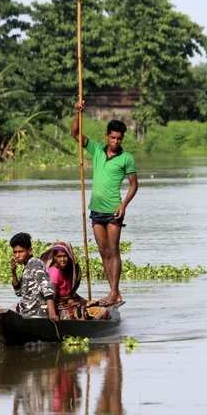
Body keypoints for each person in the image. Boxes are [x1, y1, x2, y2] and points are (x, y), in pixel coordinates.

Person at [71, 113, 138, 307]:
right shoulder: (97, 150)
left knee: (113, 250)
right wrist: (78, 112)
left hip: (114, 210)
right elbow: (75, 133)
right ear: (107, 136)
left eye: (119, 138)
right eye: (113, 137)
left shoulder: (126, 158)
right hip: (96, 210)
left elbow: (134, 185)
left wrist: (123, 204)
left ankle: (114, 292)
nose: (116, 141)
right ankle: (113, 293)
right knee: (103, 251)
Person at [0, 232, 59, 321]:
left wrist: (52, 313)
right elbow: (19, 292)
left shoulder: (35, 263)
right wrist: (13, 272)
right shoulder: (27, 266)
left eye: (20, 252)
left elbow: (47, 288)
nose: (17, 255)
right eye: (15, 252)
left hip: (33, 314)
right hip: (24, 310)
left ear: (30, 251)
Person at [41, 242, 87, 320]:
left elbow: (71, 293)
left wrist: (84, 302)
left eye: (65, 256)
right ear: (54, 257)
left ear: (69, 256)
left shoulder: (69, 270)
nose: (62, 259)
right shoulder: (55, 272)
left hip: (67, 302)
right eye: (59, 256)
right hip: (57, 306)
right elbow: (52, 297)